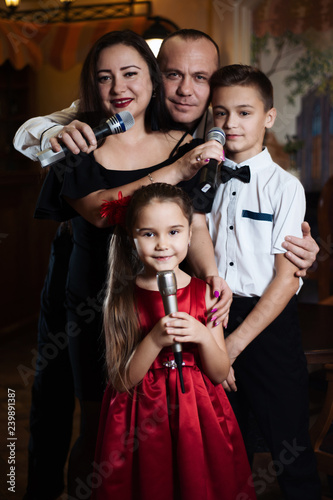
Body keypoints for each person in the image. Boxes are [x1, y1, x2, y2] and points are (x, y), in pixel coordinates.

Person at [33, 30, 225, 500]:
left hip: (160, 300)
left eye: (130, 73)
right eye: (104, 77)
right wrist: (175, 172)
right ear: (91, 87)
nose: (118, 86)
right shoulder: (77, 146)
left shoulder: (183, 140)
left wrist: (212, 275)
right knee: (99, 421)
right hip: (95, 304)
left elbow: (195, 224)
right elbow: (102, 212)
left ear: (151, 80)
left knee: (162, 419)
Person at [90, 182, 256, 500]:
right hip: (142, 419)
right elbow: (121, 380)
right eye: (149, 233)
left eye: (174, 232)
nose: (163, 244)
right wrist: (154, 339)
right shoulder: (121, 298)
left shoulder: (207, 294)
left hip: (198, 413)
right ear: (131, 236)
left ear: (190, 236)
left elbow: (220, 373)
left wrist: (202, 336)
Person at [207, 64, 321, 499]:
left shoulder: (286, 188)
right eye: (220, 113)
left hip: (269, 324)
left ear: (268, 117)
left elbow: (285, 279)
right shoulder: (202, 180)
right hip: (212, 317)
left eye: (244, 112)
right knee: (221, 449)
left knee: (290, 452)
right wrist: (215, 338)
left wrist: (231, 347)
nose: (231, 124)